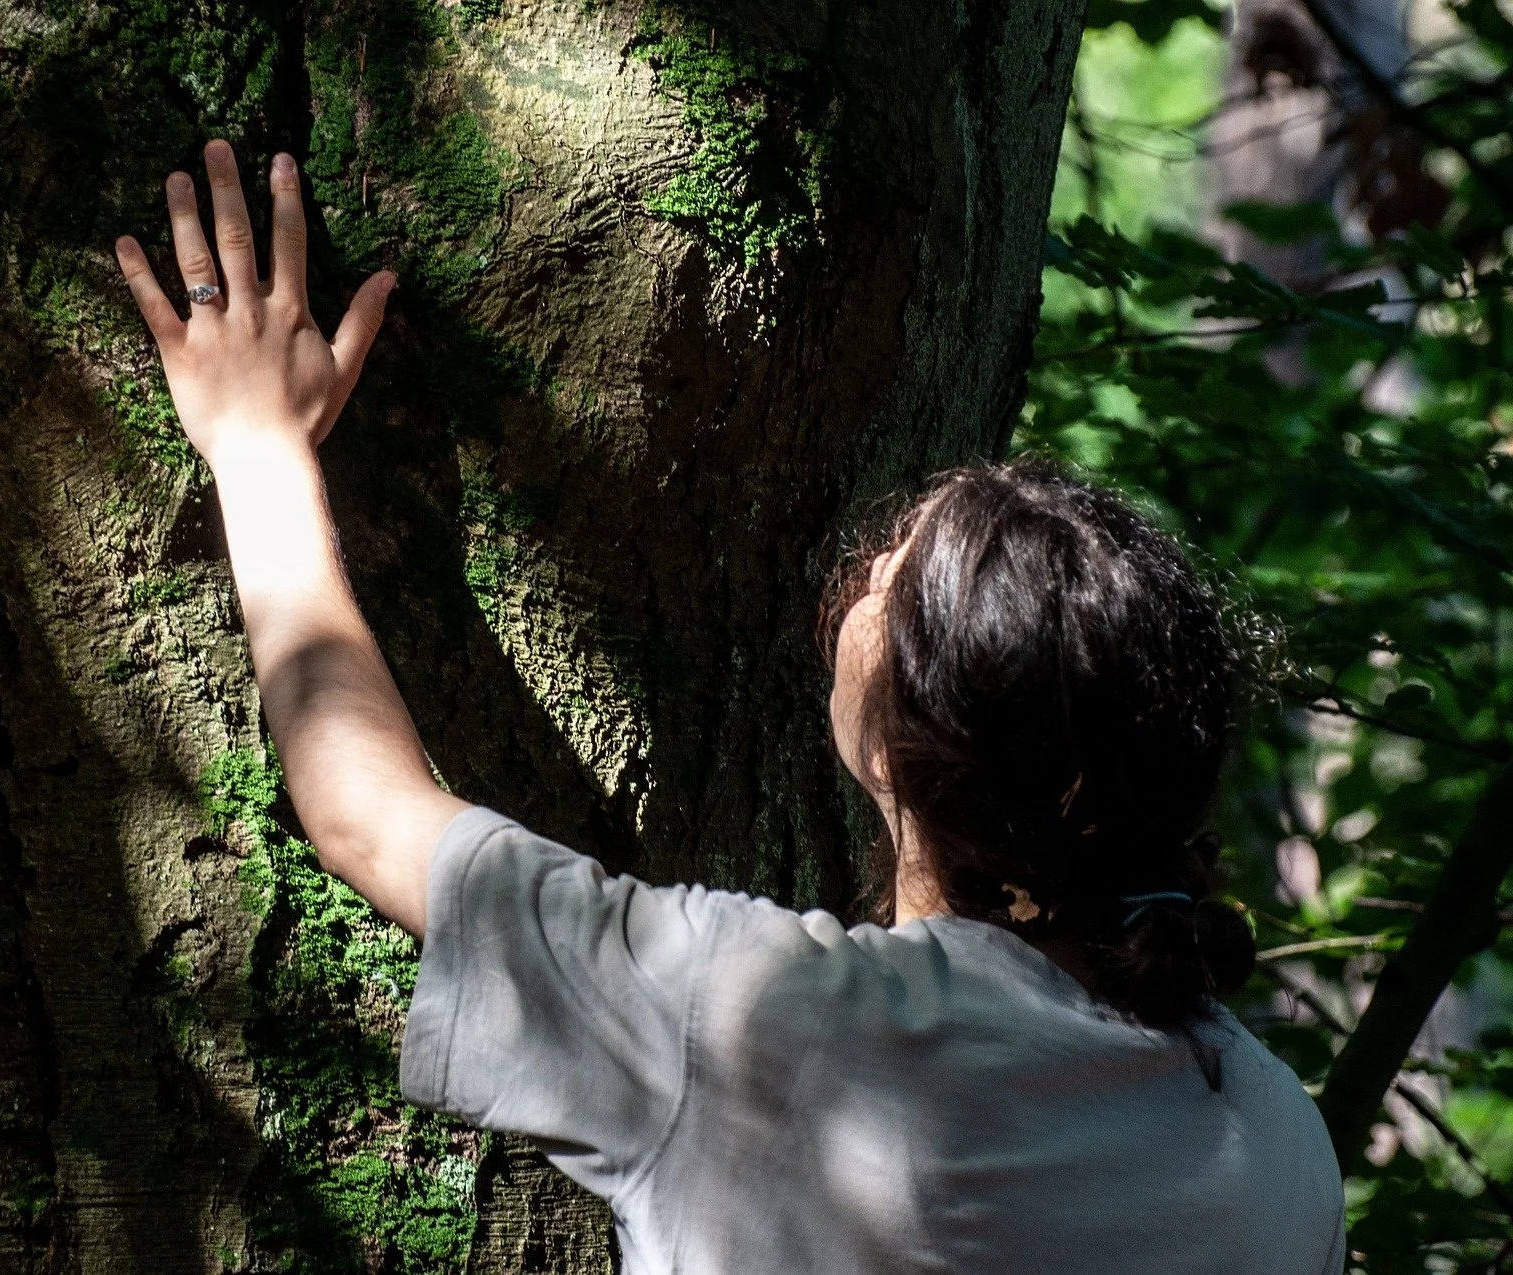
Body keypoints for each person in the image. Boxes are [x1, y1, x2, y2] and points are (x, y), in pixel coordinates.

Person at [115, 140, 1347, 1274]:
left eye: (897, 578)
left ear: (932, 748)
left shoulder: (775, 1029)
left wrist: (259, 447)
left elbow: (366, 815)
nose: (865, 569)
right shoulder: (1284, 1147)